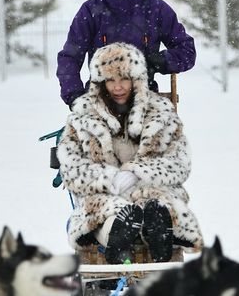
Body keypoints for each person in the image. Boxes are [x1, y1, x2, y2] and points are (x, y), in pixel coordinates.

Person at [57, 42, 203, 264]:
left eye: (124, 79)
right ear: (100, 83)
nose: (118, 87)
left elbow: (179, 161)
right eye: (110, 80)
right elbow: (72, 168)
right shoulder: (83, 118)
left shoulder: (160, 113)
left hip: (151, 190)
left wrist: (138, 172)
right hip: (105, 194)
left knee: (159, 206)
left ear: (137, 80)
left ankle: (158, 234)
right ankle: (118, 237)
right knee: (107, 212)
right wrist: (110, 178)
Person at [56, 0, 196, 109]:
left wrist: (158, 61)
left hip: (146, 99)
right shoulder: (91, 10)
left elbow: (187, 51)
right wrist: (75, 96)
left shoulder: (156, 9)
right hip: (99, 99)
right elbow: (69, 57)